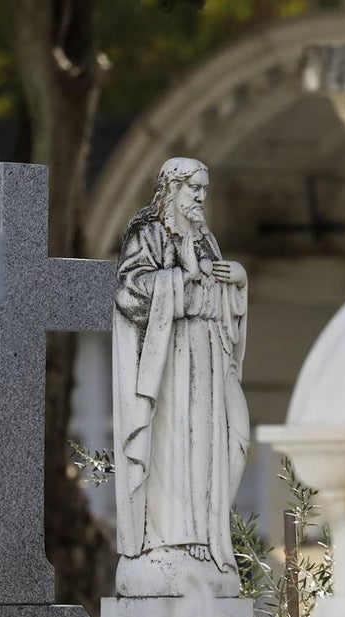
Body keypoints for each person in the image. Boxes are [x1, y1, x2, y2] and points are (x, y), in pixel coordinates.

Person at [112, 157, 249, 594]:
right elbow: (130, 291)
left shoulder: (206, 238)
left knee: (221, 439)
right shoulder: (147, 232)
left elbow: (218, 294)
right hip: (170, 356)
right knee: (174, 443)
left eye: (204, 190)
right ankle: (170, 540)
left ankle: (208, 538)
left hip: (208, 354)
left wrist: (238, 283)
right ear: (171, 189)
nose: (200, 198)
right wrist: (179, 282)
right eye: (193, 189)